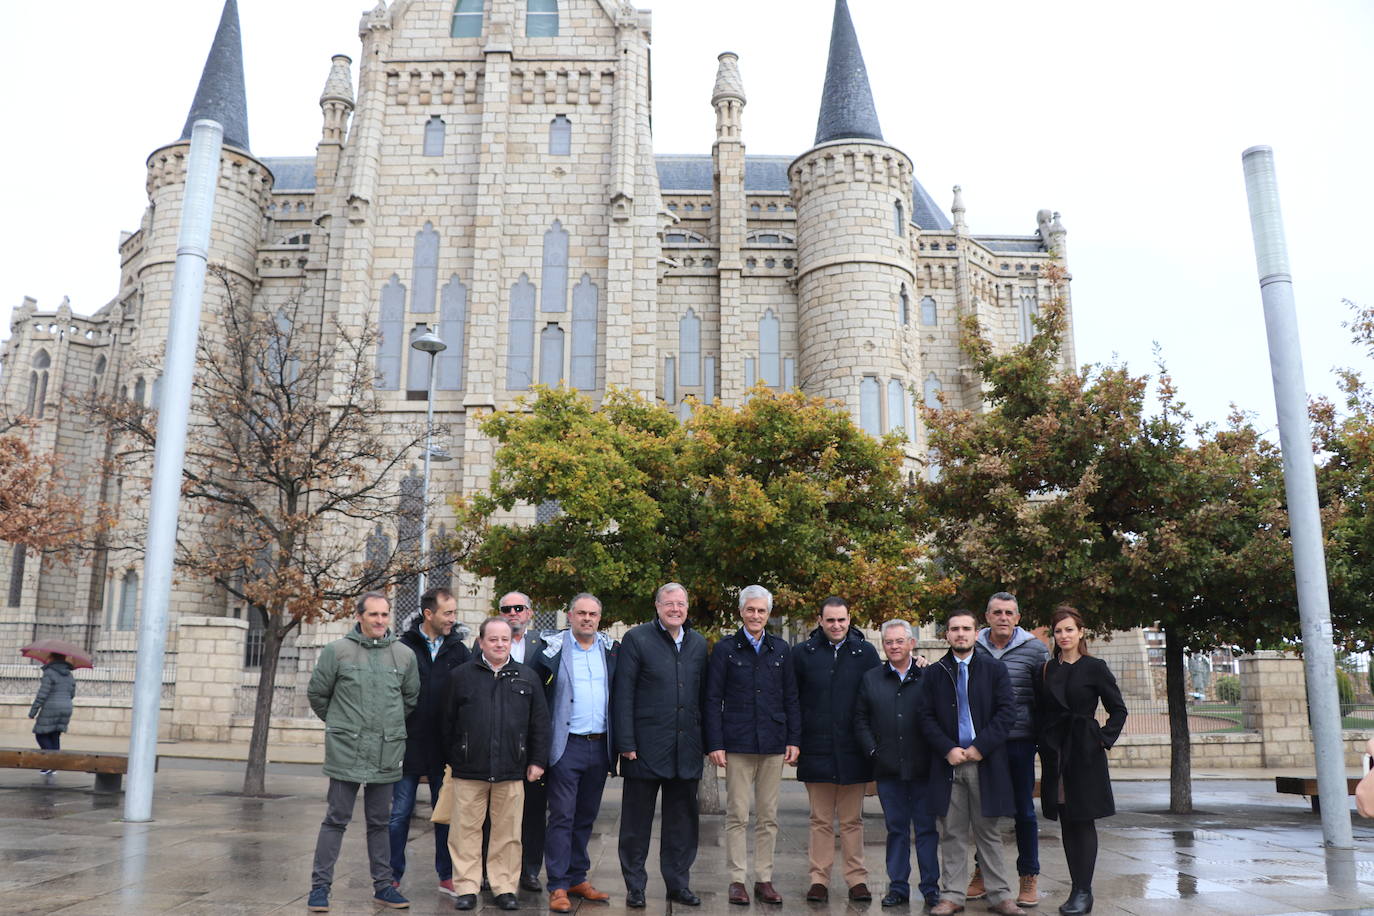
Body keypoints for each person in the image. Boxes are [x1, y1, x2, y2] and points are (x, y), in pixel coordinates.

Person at [306, 592, 420, 913]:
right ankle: (319, 889)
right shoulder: (337, 652)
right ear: (360, 617)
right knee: (336, 819)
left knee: (380, 822)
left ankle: (384, 886)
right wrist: (341, 724)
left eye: (385, 615)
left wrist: (387, 728)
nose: (380, 621)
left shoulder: (404, 656)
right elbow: (318, 694)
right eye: (373, 615)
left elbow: (409, 700)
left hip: (386, 750)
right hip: (347, 751)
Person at [918, 610, 1024, 916]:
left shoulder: (994, 670)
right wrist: (947, 748)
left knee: (988, 831)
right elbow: (924, 717)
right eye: (954, 629)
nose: (960, 633)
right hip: (948, 765)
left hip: (985, 763)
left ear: (977, 633)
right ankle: (952, 895)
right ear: (947, 635)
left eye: (966, 628)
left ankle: (1000, 895)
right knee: (952, 832)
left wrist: (981, 747)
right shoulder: (935, 673)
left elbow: (1006, 713)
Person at [443, 616, 551, 912]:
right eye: (493, 639)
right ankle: (467, 887)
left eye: (504, 639)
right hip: (469, 770)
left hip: (511, 770)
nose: (500, 644)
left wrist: (537, 761)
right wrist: (453, 758)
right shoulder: (461, 676)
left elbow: (540, 724)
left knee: (508, 834)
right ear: (481, 642)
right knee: (465, 832)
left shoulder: (527, 677)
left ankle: (504, 887)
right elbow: (446, 723)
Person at [703, 585, 801, 906]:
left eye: (761, 610)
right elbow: (713, 698)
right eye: (750, 610)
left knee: (768, 817)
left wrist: (793, 739)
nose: (755, 615)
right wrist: (715, 743)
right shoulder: (725, 649)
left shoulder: (781, 650)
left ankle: (763, 878)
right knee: (737, 815)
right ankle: (736, 879)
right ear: (741, 612)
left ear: (768, 614)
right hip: (738, 743)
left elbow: (791, 697)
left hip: (773, 742)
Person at [613, 582, 709, 908]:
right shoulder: (636, 639)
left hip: (687, 749)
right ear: (657, 606)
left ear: (687, 608)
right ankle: (635, 885)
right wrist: (625, 741)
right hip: (643, 748)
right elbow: (623, 694)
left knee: (682, 825)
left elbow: (705, 698)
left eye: (680, 604)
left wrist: (708, 743)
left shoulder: (698, 644)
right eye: (669, 603)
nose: (675, 609)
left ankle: (678, 884)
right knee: (636, 825)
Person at [1038, 606, 1128, 916]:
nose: (1063, 635)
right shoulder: (1047, 669)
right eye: (1058, 630)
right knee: (1065, 819)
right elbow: (1042, 710)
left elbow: (1118, 709)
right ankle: (1075, 887)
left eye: (1069, 629)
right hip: (1056, 750)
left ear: (1081, 632)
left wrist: (1102, 738)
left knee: (1082, 818)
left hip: (1084, 751)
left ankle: (1083, 891)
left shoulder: (1095, 667)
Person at [792, 596, 881, 904]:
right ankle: (819, 879)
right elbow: (794, 701)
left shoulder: (865, 653)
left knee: (852, 821)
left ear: (849, 619)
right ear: (820, 620)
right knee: (819, 819)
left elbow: (875, 699)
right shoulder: (802, 654)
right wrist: (796, 741)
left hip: (854, 750)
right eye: (830, 620)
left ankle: (857, 879)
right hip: (816, 748)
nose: (836, 625)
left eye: (842, 619)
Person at [389, 586, 471, 899]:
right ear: (429, 614)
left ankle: (447, 875)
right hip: (407, 746)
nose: (453, 619)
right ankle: (392, 876)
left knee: (446, 815)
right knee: (399, 815)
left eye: (453, 612)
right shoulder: (403, 648)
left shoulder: (460, 650)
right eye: (447, 613)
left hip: (445, 750)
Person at [970, 592, 1049, 908]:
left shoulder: (1035, 649)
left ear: (1018, 618)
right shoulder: (972, 647)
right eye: (997, 612)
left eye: (1009, 613)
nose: (1003, 617)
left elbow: (1044, 696)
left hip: (1020, 740)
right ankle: (981, 872)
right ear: (987, 616)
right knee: (983, 811)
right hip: (984, 742)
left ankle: (1028, 876)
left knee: (1023, 812)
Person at [540, 593, 618, 913]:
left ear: (600, 618)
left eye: (593, 614)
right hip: (566, 744)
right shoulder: (553, 651)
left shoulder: (612, 652)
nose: (587, 618)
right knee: (562, 816)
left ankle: (577, 877)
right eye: (581, 613)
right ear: (570, 616)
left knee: (586, 816)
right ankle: (557, 884)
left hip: (599, 745)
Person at [854, 620, 938, 909]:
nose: (893, 646)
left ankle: (930, 888)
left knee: (927, 829)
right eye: (888, 642)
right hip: (888, 767)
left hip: (924, 767)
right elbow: (861, 719)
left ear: (911, 643)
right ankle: (898, 887)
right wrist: (873, 751)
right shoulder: (872, 678)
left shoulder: (929, 675)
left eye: (899, 641)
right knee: (897, 829)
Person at [475, 592, 550, 892]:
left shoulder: (544, 649)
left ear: (530, 613)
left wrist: (540, 753)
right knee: (492, 815)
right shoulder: (481, 648)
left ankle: (529, 870)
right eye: (506, 609)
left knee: (532, 812)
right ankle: (486, 870)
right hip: (494, 745)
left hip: (528, 744)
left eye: (519, 608)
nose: (513, 613)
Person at [29, 652, 76, 773]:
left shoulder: (49, 673)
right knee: (54, 735)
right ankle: (54, 765)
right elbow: (72, 693)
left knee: (41, 734)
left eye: (48, 657)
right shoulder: (69, 674)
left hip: (52, 706)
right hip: (66, 707)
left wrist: (33, 711)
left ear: (52, 658)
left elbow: (42, 694)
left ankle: (50, 763)